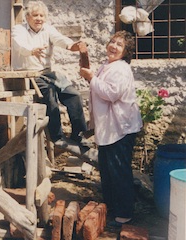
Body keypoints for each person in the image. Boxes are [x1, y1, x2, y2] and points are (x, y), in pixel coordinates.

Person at [79, 31, 143, 227]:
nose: (113, 46)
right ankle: (110, 209)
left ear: (125, 52)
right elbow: (100, 87)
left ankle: (124, 214)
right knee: (107, 170)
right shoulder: (107, 65)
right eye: (112, 42)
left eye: (119, 45)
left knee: (119, 171)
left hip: (120, 129)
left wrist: (91, 79)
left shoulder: (122, 69)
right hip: (108, 128)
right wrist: (90, 76)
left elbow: (112, 93)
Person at [11, 0, 90, 153]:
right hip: (28, 74)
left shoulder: (47, 29)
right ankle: (57, 136)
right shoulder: (18, 29)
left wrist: (74, 46)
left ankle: (79, 135)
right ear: (28, 17)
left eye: (41, 15)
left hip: (47, 72)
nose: (38, 18)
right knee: (50, 98)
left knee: (73, 95)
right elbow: (19, 45)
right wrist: (32, 50)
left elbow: (61, 40)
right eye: (35, 15)